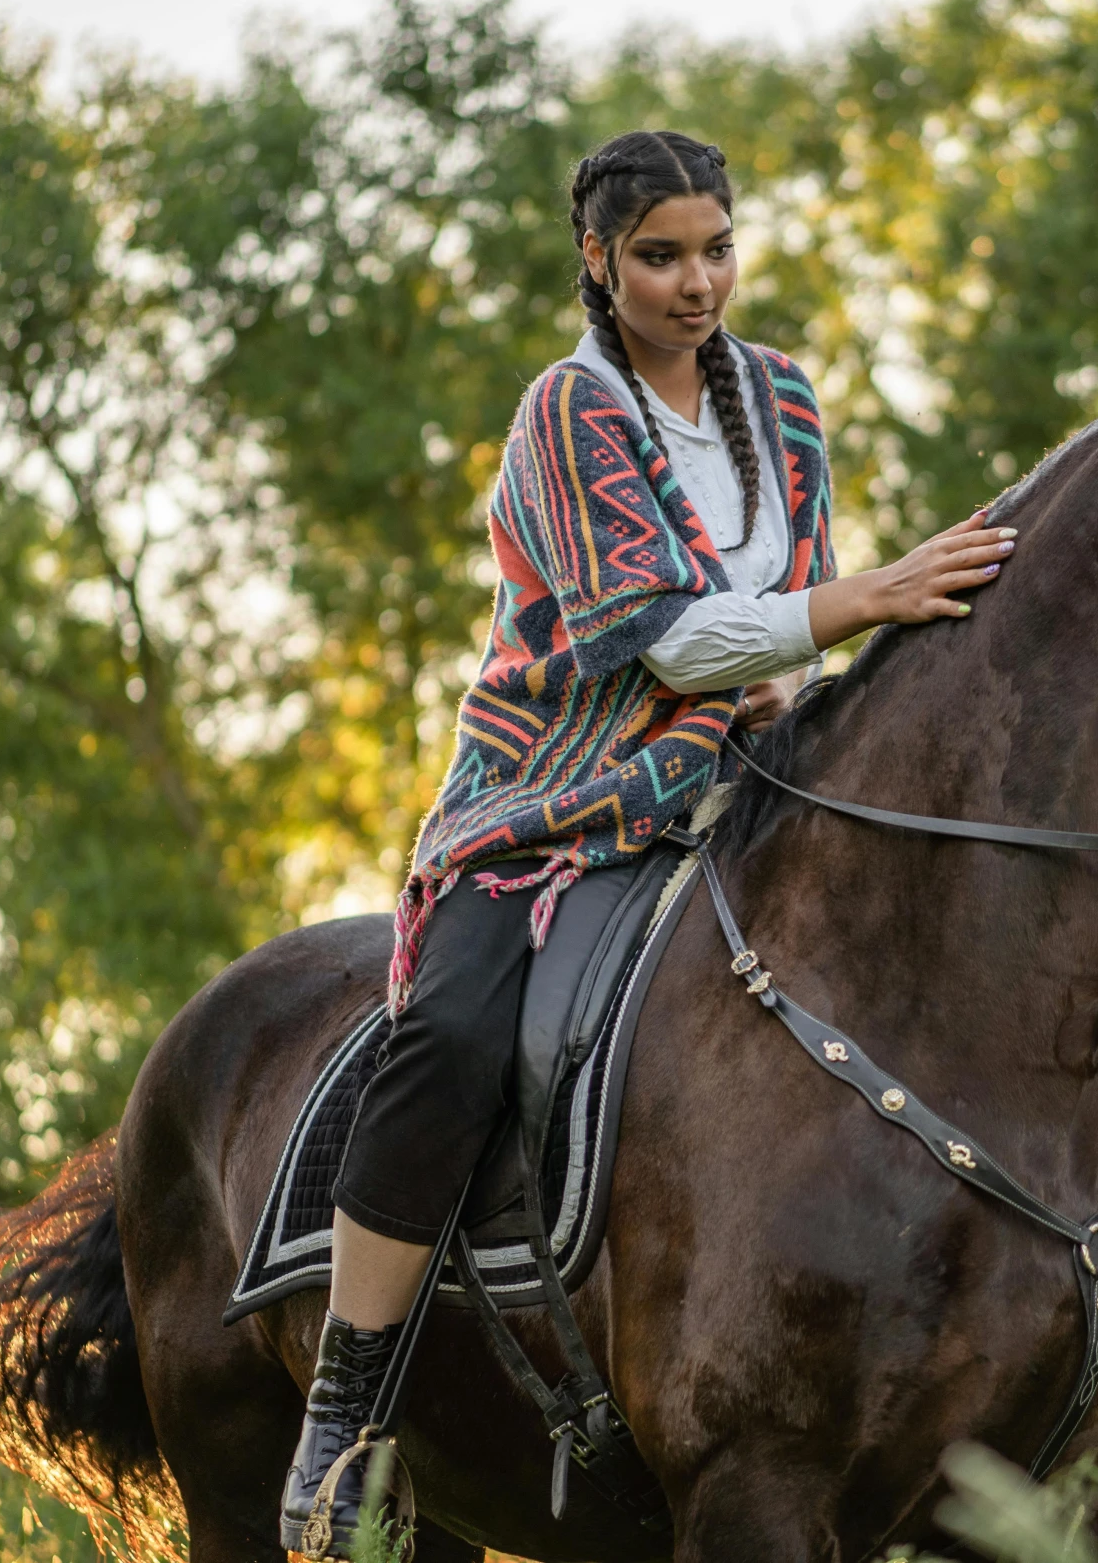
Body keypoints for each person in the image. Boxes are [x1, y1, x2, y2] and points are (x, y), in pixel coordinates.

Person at [280, 128, 1019, 1556]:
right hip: (557, 788)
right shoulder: (565, 414)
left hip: (753, 771)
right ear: (598, 263)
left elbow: (778, 621)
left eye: (717, 248)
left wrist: (814, 680)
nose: (697, 282)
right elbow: (654, 636)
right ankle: (345, 1404)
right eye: (662, 255)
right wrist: (867, 600)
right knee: (444, 1033)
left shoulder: (784, 403)